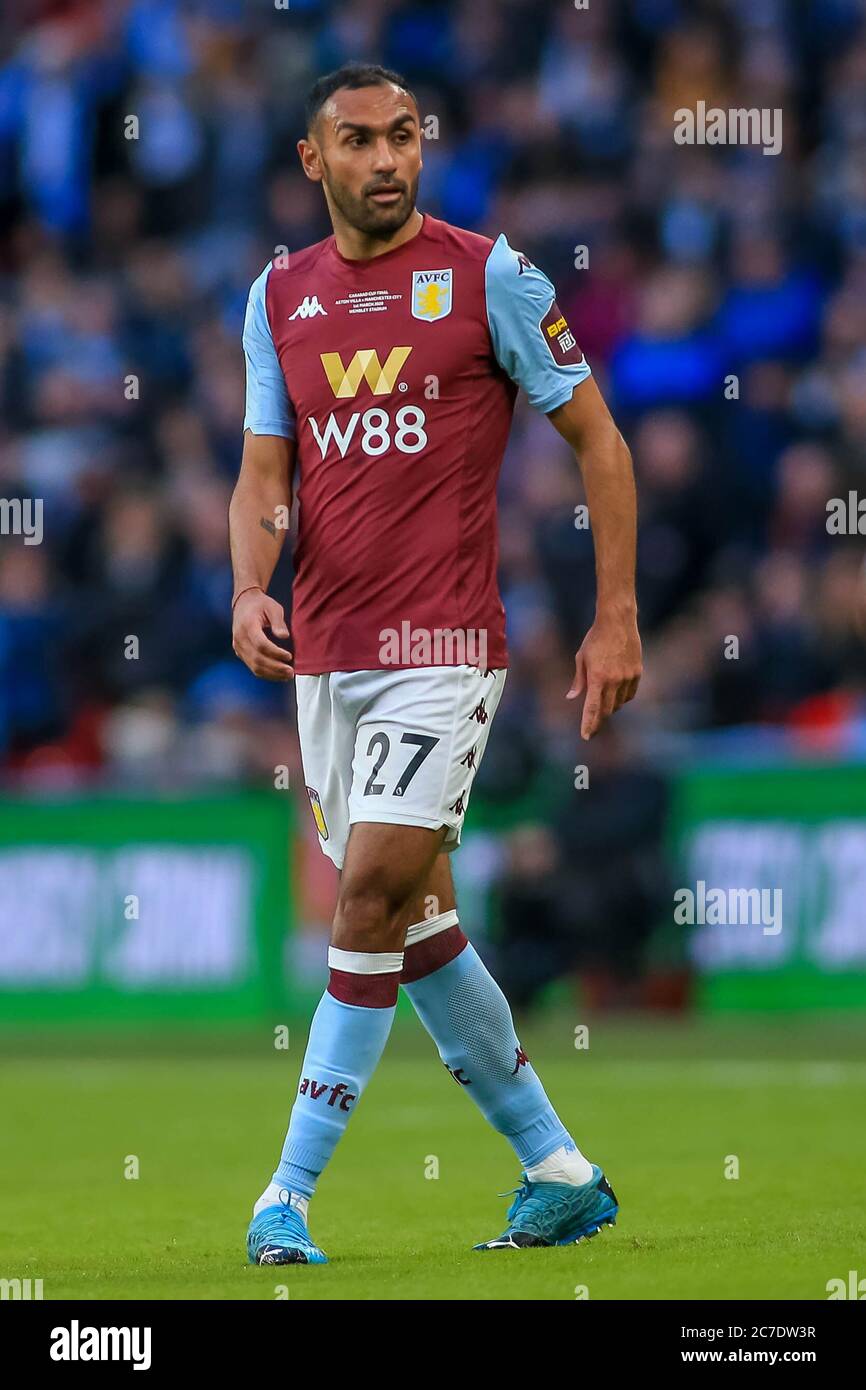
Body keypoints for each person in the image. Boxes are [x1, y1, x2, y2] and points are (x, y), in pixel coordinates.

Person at [229, 62, 641, 1263]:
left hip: (442, 649)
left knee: (364, 896)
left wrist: (614, 615)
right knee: (415, 926)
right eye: (356, 140)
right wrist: (251, 585)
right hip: (328, 656)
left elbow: (599, 441)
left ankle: (285, 1196)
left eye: (402, 136)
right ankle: (557, 1167)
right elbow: (266, 473)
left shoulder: (490, 276)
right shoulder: (276, 299)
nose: (386, 160)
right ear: (314, 161)